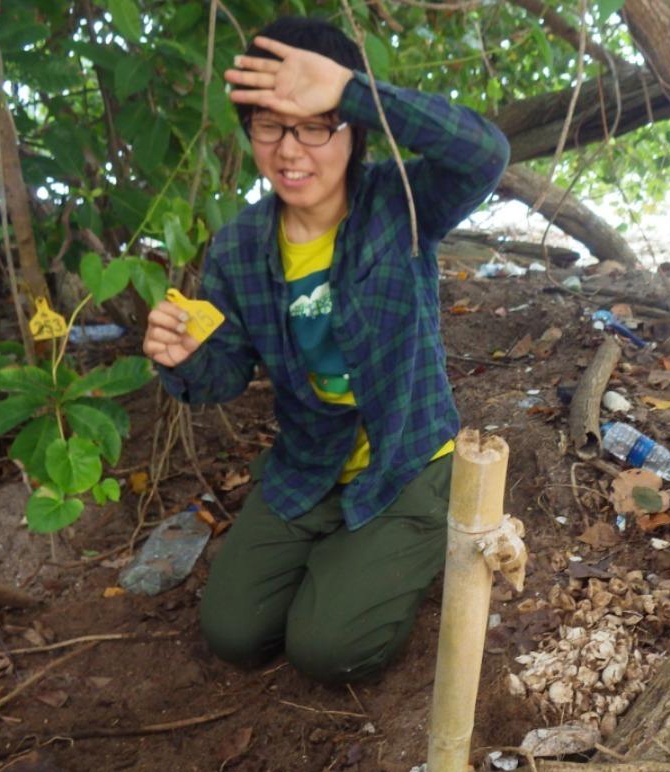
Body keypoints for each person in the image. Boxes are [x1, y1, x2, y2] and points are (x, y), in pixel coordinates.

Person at [141, 17, 510, 682]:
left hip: (406, 460)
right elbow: (226, 374)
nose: (291, 150)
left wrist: (354, 89)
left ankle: (390, 549)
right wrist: (185, 358)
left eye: (314, 125)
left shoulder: (399, 205)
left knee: (328, 651)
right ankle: (344, 556)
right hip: (310, 463)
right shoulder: (239, 249)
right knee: (234, 634)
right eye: (268, 126)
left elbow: (485, 153)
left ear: (352, 129)